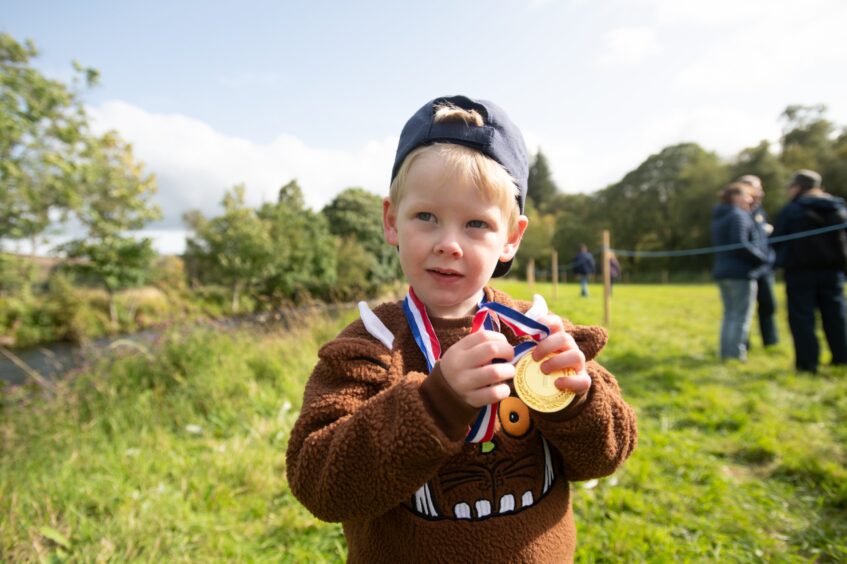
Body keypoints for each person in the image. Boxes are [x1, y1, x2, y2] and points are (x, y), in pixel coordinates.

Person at [286, 95, 637, 563]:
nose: (449, 244)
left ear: (511, 238)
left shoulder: (540, 334)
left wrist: (579, 400)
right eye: (426, 217)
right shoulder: (369, 345)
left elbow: (606, 454)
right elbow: (321, 484)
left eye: (476, 224)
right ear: (392, 220)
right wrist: (436, 402)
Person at [772, 169, 847, 373]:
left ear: (799, 187)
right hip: (833, 272)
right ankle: (842, 358)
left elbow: (776, 239)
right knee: (837, 316)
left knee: (802, 318)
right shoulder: (837, 207)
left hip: (800, 272)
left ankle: (807, 365)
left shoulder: (792, 210)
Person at [711, 182, 769, 361]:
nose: (751, 199)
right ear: (735, 196)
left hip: (723, 271)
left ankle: (726, 353)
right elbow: (740, 244)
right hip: (739, 273)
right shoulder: (739, 215)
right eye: (747, 195)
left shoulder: (720, 215)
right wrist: (762, 258)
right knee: (741, 316)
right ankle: (735, 355)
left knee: (730, 315)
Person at [737, 174, 779, 348]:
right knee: (744, 310)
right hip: (746, 268)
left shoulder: (760, 211)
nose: (760, 191)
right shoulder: (739, 210)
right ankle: (742, 345)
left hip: (764, 268)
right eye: (756, 187)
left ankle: (770, 342)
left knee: (769, 306)